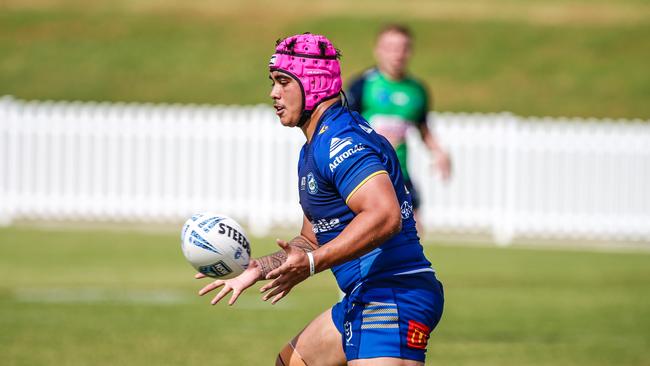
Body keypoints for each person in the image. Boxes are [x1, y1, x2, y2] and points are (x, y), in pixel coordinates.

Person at [195, 33, 444, 366]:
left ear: (313, 83)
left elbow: (385, 215)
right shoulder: (314, 148)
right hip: (367, 295)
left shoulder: (341, 142)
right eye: (272, 82)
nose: (273, 93)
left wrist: (311, 265)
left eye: (284, 82)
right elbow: (310, 240)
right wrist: (262, 266)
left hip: (392, 297)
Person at [347, 24, 451, 233]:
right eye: (391, 47)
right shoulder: (363, 85)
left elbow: (423, 128)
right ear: (378, 50)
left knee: (414, 231)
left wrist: (439, 152)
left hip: (400, 173)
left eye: (403, 48)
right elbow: (343, 126)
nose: (397, 54)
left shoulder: (417, 91)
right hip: (366, 172)